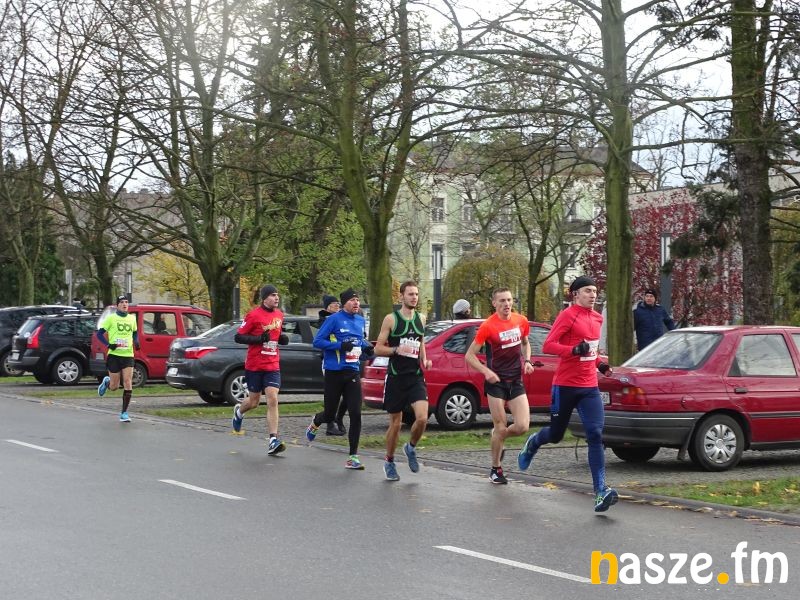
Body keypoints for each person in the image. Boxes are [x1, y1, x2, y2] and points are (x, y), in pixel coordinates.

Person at [516, 275, 618, 512]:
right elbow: (549, 345)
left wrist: (601, 364)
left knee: (595, 434)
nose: (593, 295)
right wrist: (573, 349)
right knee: (556, 435)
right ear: (576, 294)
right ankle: (534, 442)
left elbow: (591, 351)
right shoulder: (567, 316)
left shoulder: (597, 318)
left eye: (595, 291)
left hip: (589, 387)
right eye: (588, 291)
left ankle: (600, 491)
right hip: (565, 386)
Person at [465, 287, 534, 485]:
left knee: (522, 426)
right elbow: (469, 356)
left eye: (509, 300)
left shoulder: (521, 321)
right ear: (494, 303)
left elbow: (525, 343)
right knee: (500, 425)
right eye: (502, 300)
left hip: (515, 380)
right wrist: (486, 371)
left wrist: (527, 361)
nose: (507, 304)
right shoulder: (488, 326)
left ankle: (498, 436)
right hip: (496, 382)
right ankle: (495, 469)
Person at [306, 288, 374, 470]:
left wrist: (366, 349)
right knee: (330, 415)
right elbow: (317, 342)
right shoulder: (333, 320)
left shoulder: (360, 320)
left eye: (357, 300)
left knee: (356, 414)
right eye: (352, 300)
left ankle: (353, 457)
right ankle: (316, 421)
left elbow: (358, 342)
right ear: (344, 303)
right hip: (334, 373)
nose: (356, 303)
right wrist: (339, 346)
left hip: (352, 372)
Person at [373, 280, 432, 481]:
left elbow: (420, 341)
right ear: (401, 297)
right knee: (396, 424)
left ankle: (410, 447)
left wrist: (424, 359)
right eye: (410, 294)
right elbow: (378, 348)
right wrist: (396, 349)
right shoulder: (391, 319)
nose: (414, 297)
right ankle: (389, 461)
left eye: (416, 294)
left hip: (415, 376)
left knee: (422, 418)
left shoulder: (421, 318)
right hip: (396, 377)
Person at [231, 284, 289, 456]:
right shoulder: (253, 315)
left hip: (272, 364)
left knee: (272, 398)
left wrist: (282, 338)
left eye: (277, 295)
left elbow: (276, 335)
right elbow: (238, 337)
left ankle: (273, 440)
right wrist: (258, 339)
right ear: (264, 298)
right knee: (254, 402)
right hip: (255, 365)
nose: (276, 298)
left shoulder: (279, 315)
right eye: (272, 295)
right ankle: (239, 412)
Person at [96, 295, 140, 423]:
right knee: (114, 387)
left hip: (128, 354)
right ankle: (107, 383)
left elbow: (134, 332)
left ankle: (124, 413)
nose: (125, 304)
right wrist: (109, 345)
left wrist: (136, 341)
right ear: (117, 305)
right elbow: (99, 334)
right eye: (122, 302)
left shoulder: (132, 318)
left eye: (126, 302)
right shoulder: (111, 318)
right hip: (114, 355)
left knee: (128, 381)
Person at [318, 294, 347, 436]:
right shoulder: (325, 321)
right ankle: (330, 424)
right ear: (327, 307)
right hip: (330, 362)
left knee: (349, 394)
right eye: (334, 304)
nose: (337, 306)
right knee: (332, 395)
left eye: (338, 303)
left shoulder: (343, 319)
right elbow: (321, 341)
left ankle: (338, 418)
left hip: (346, 361)